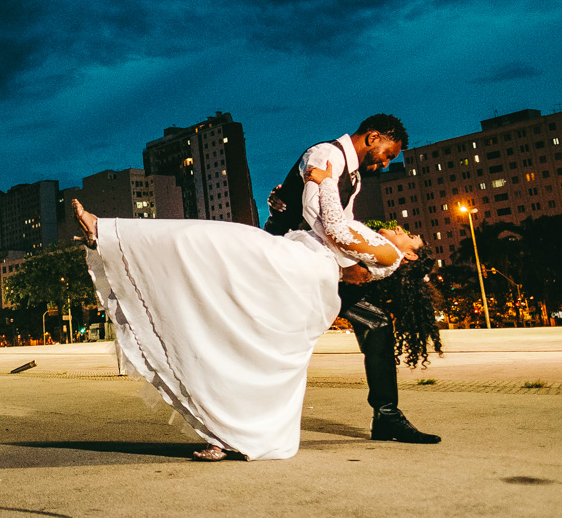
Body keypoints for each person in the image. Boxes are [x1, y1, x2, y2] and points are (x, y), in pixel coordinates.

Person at [75, 160, 422, 461]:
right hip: (297, 264)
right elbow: (328, 222)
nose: (401, 230)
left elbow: (333, 226)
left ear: (409, 256)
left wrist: (324, 179)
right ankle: (226, 433)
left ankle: (109, 234)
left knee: (209, 241)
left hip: (300, 270)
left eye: (410, 237)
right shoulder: (378, 243)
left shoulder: (388, 255)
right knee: (232, 316)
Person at [266, 114, 441, 445]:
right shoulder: (325, 156)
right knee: (274, 341)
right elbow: (317, 218)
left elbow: (344, 223)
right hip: (291, 263)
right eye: (389, 154)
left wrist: (354, 261)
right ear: (373, 137)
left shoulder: (354, 176)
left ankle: (387, 416)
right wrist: (347, 264)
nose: (387, 163)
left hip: (322, 266)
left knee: (376, 323)